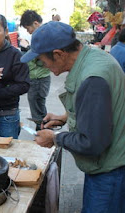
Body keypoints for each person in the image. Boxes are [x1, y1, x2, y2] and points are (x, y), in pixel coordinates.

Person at [21, 21, 125, 212]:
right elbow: (98, 109)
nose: (42, 65)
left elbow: (92, 142)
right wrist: (64, 117)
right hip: (108, 167)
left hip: (110, 172)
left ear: (59, 54)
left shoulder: (92, 78)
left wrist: (55, 138)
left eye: (42, 61)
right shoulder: (92, 56)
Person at [19, 10, 51, 130]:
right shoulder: (43, 34)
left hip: (38, 78)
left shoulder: (43, 36)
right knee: (39, 108)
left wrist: (27, 47)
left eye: (28, 28)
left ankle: (43, 132)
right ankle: (44, 131)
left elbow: (42, 60)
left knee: (37, 109)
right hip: (38, 77)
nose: (29, 32)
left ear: (36, 23)